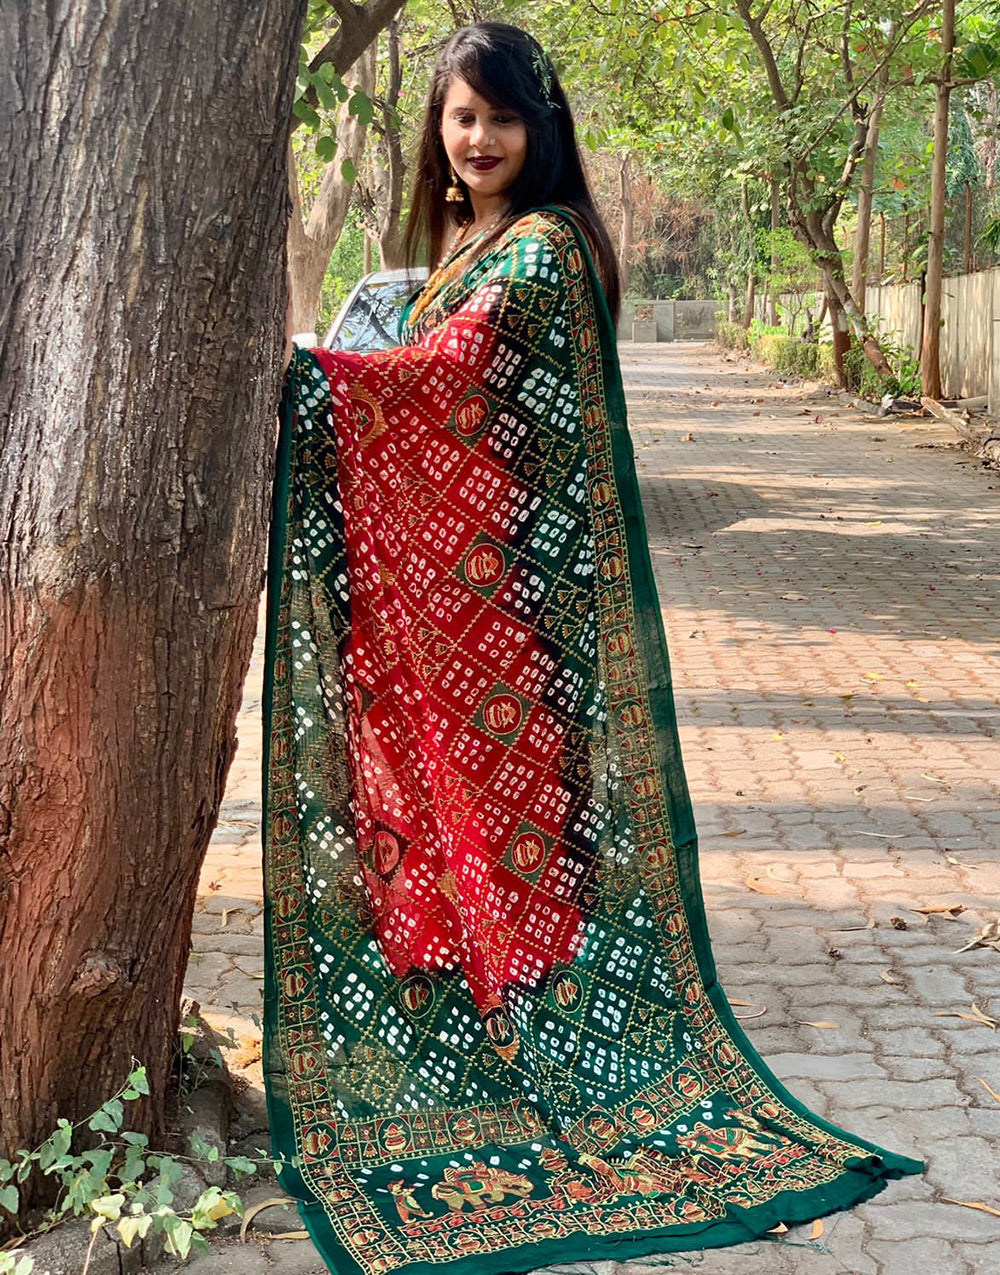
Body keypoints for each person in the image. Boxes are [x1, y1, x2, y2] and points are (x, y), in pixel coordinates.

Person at [264, 23, 919, 1275]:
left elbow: (449, 372)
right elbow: (424, 353)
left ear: (541, 127)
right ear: (435, 134)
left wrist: (320, 377)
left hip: (495, 597)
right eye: (460, 117)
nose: (479, 137)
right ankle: (474, 1001)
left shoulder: (549, 248)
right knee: (424, 796)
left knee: (510, 809)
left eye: (500, 117)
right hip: (420, 598)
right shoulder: (458, 243)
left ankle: (536, 1018)